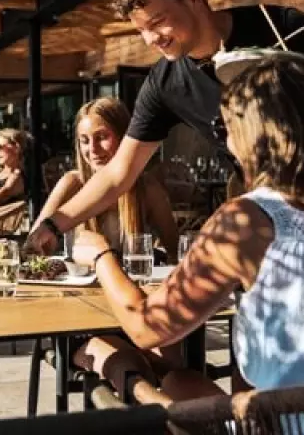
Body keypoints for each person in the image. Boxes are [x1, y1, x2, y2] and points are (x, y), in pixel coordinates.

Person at [71, 58, 304, 402]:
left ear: (254, 135)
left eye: (224, 128)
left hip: (294, 423)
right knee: (180, 381)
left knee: (156, 383)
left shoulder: (249, 220)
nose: (226, 143)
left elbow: (146, 327)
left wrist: (101, 255)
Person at [27, 0, 304, 254]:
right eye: (141, 30)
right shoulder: (165, 82)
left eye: (157, 22)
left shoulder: (277, 25)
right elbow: (119, 173)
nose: (151, 39)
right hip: (282, 223)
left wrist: (290, 123)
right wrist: (54, 224)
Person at [34, 97, 181, 399]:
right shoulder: (72, 184)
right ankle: (160, 411)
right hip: (80, 319)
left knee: (174, 361)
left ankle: (183, 414)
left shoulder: (146, 188)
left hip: (134, 308)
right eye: (84, 140)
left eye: (102, 137)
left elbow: (176, 251)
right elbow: (33, 248)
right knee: (127, 363)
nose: (93, 149)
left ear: (126, 137)